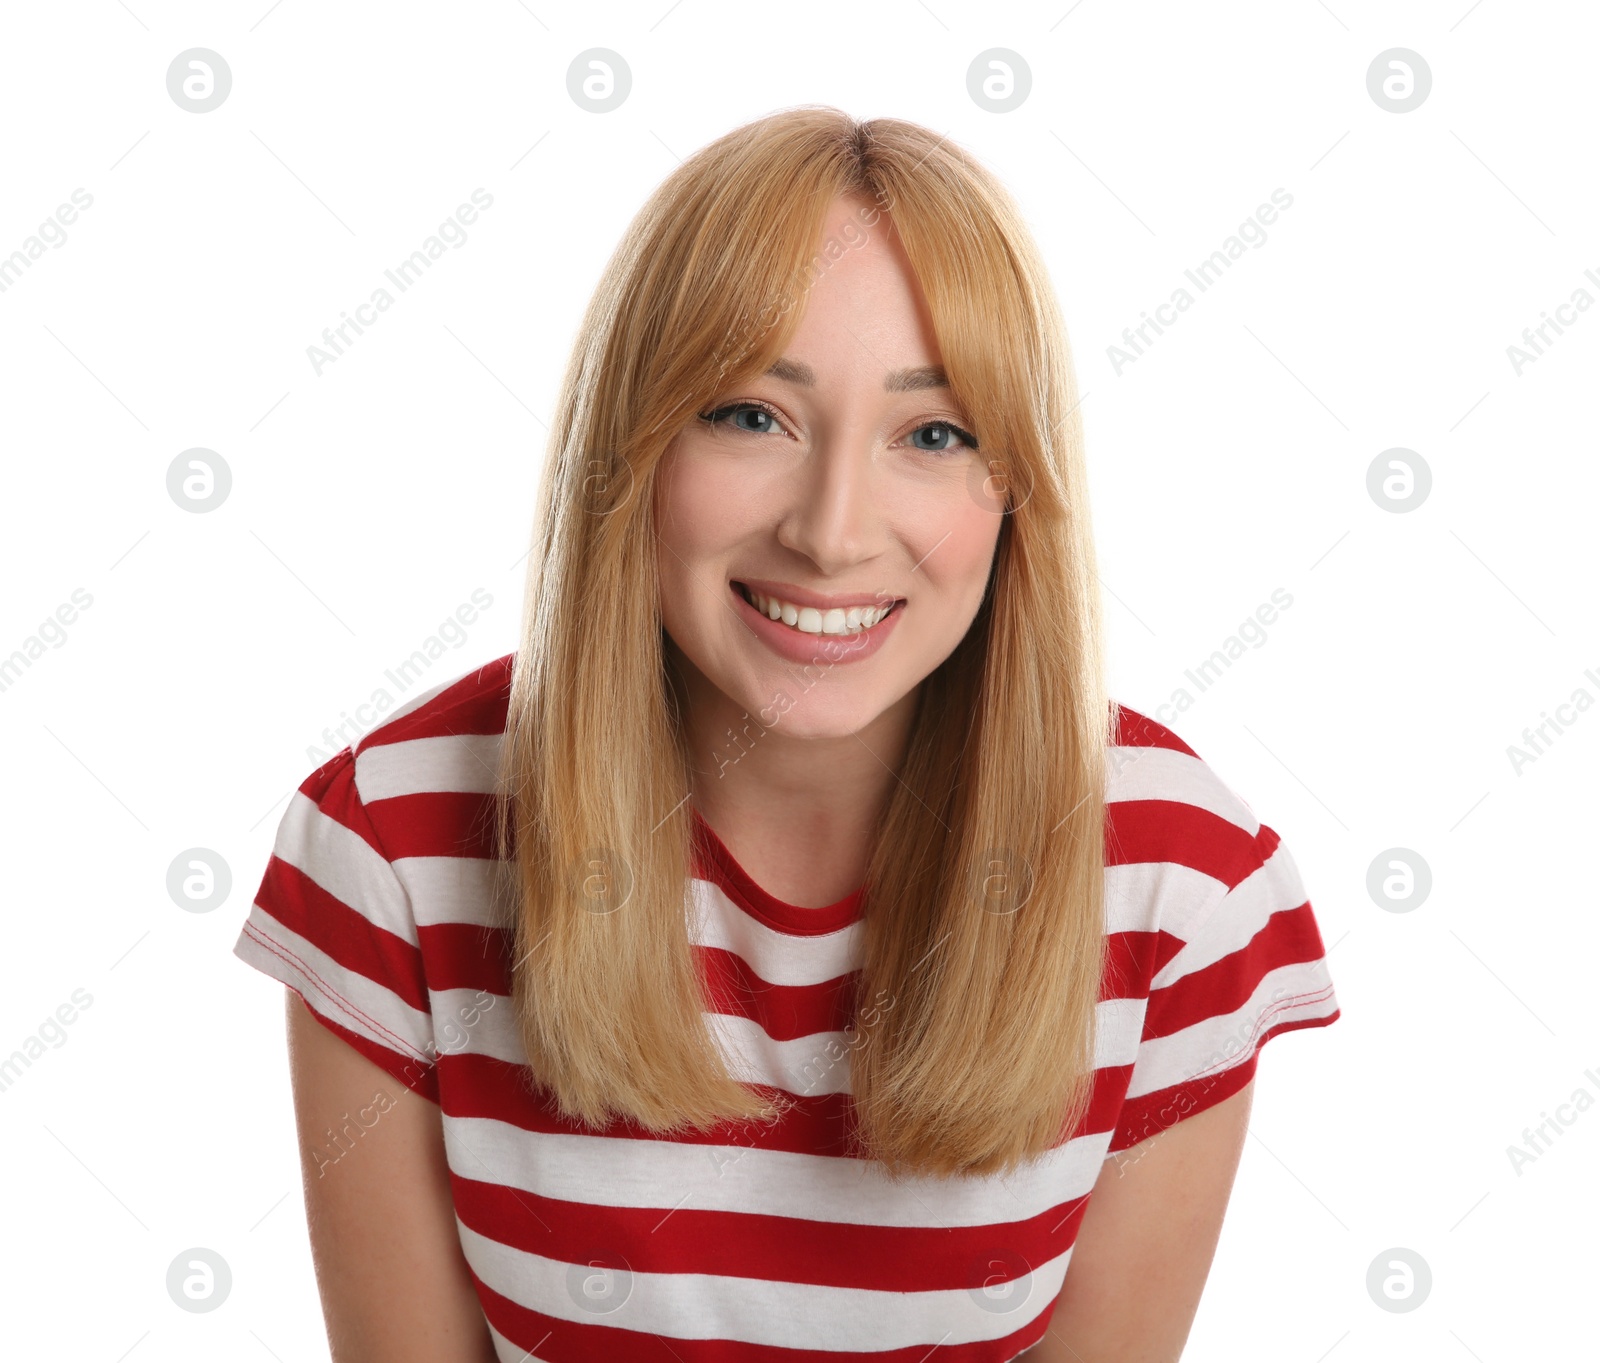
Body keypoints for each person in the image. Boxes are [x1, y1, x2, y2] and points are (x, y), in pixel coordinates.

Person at [233, 106, 1341, 1362]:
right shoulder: (392, 839)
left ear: (1015, 487)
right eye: (752, 415)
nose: (830, 531)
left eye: (934, 433)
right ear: (630, 448)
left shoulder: (1179, 877)